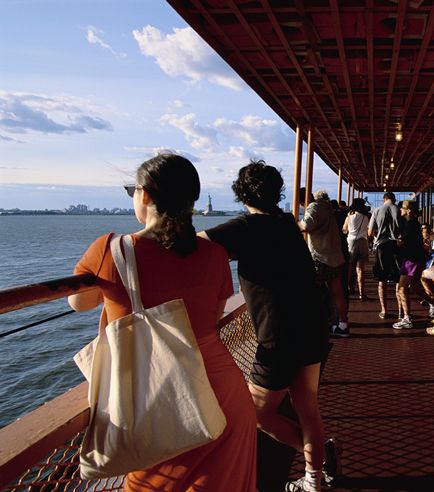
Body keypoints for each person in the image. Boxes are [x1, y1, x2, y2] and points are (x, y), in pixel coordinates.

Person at [68, 154, 256, 491]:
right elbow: (211, 319)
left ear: (145, 195)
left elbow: (78, 302)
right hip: (222, 393)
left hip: (156, 399)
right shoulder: (213, 255)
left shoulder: (111, 250)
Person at [200, 161, 338, 492]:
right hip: (311, 325)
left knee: (258, 413)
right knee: (307, 408)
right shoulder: (286, 222)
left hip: (277, 335)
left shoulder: (246, 227)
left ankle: (319, 460)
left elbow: (196, 244)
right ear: (275, 192)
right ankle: (314, 477)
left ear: (240, 192)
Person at [299, 189, 349, 337]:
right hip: (335, 256)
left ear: (301, 202)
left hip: (320, 257)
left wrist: (296, 223)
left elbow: (307, 225)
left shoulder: (314, 207)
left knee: (310, 292)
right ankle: (343, 325)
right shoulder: (327, 207)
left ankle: (316, 325)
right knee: (338, 292)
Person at [368, 192, 402, 319]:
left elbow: (370, 232)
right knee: (398, 279)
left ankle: (384, 310)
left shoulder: (377, 210)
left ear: (384, 199)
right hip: (397, 246)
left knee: (382, 279)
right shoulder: (399, 210)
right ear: (393, 199)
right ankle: (401, 311)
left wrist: (378, 233)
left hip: (382, 246)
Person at [393, 200, 426, 329]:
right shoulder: (414, 224)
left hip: (411, 260)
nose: (400, 209)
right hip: (416, 258)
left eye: (402, 208)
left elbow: (403, 242)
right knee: (416, 288)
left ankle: (407, 318)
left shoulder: (410, 224)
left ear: (408, 210)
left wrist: (395, 242)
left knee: (401, 288)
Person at [343, 197, 370, 300]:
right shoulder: (366, 217)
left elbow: (344, 230)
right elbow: (367, 231)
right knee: (360, 269)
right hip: (363, 242)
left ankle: (347, 289)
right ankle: (361, 294)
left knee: (349, 268)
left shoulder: (349, 217)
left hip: (351, 242)